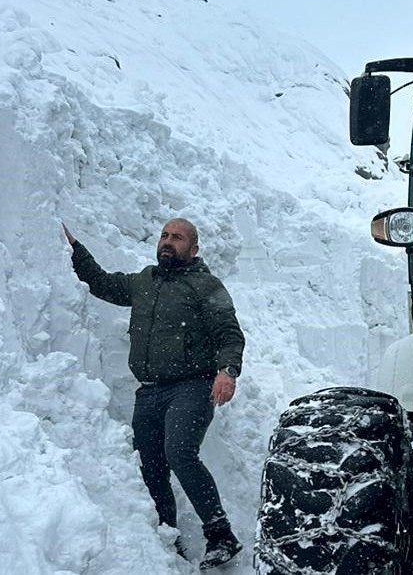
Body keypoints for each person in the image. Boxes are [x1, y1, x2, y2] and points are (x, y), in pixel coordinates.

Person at [64, 218, 245, 569]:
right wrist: (75, 250)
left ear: (193, 249)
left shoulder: (206, 286)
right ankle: (167, 538)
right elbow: (101, 282)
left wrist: (227, 371)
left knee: (179, 453)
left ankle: (220, 533)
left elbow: (229, 333)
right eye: (164, 235)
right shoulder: (143, 281)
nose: (167, 241)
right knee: (151, 467)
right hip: (148, 393)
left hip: (191, 386)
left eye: (177, 237)